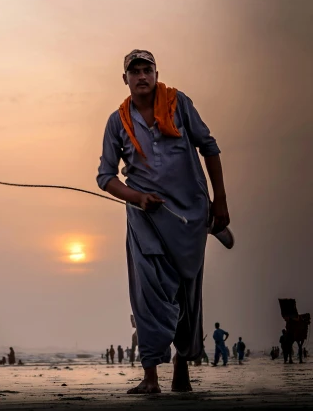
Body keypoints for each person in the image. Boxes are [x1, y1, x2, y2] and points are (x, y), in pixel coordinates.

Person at [97, 49, 229, 394]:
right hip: (146, 220)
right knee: (149, 294)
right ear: (124, 78)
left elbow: (209, 147)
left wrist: (221, 203)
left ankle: (181, 367)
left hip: (190, 215)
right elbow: (105, 177)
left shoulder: (179, 104)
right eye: (134, 71)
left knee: (187, 292)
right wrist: (137, 198)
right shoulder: (117, 121)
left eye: (147, 70)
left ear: (156, 74)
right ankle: (151, 376)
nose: (141, 77)